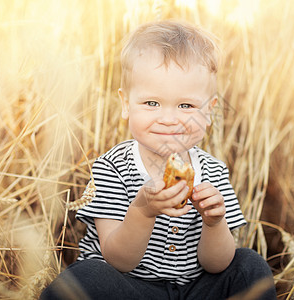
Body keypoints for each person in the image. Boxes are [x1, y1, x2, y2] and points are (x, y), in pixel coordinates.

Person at [40, 20, 276, 300]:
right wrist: (143, 210)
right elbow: (118, 260)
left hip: (196, 291)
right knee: (86, 278)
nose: (168, 119)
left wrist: (214, 223)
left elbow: (217, 264)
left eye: (186, 105)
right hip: (129, 289)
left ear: (209, 110)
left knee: (249, 267)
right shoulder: (113, 166)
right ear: (126, 104)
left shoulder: (213, 171)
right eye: (152, 103)